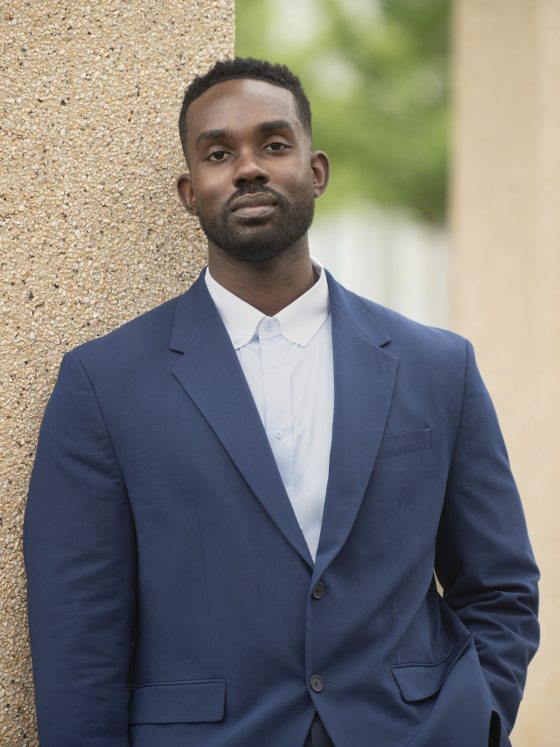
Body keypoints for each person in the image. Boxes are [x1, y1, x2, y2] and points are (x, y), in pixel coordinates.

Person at [24, 57, 539, 747]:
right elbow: (79, 629)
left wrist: (477, 715)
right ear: (189, 190)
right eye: (218, 153)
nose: (247, 168)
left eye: (273, 143)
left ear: (316, 169)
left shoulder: (438, 367)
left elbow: (500, 583)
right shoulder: (103, 384)